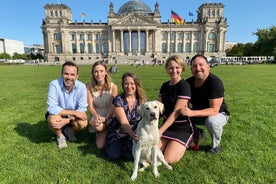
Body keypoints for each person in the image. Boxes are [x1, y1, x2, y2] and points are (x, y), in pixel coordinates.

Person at [180, 54, 230, 154]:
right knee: (179, 116)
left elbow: (214, 110)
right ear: (191, 69)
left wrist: (191, 113)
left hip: (218, 114)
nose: (198, 68)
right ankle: (197, 131)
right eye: (194, 66)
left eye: (201, 65)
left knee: (211, 121)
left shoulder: (215, 83)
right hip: (198, 113)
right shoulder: (188, 83)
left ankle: (216, 146)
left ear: (208, 66)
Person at [158, 55, 194, 164]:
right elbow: (158, 109)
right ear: (167, 69)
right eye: (171, 68)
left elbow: (176, 113)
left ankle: (192, 139)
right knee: (153, 154)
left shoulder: (184, 86)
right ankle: (170, 142)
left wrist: (160, 131)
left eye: (177, 67)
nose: (174, 71)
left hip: (182, 127)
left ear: (182, 68)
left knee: (169, 159)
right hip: (167, 125)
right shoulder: (164, 86)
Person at [104, 72, 147, 160]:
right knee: (114, 155)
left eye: (132, 83)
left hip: (135, 132)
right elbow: (123, 122)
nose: (129, 86)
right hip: (119, 132)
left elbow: (146, 120)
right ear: (123, 85)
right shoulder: (118, 99)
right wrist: (133, 136)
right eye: (126, 83)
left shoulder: (143, 101)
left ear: (136, 84)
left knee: (130, 156)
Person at [46, 61, 88, 149]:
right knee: (53, 120)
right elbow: (52, 108)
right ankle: (60, 136)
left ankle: (69, 131)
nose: (69, 77)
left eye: (72, 74)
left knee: (83, 123)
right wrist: (74, 113)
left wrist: (68, 120)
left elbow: (82, 110)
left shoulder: (82, 87)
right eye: (66, 74)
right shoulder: (54, 84)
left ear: (77, 76)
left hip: (72, 117)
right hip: (58, 115)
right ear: (61, 74)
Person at [86, 61, 118, 149]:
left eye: (101, 71)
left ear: (106, 72)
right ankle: (102, 131)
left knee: (100, 145)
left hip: (109, 115)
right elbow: (91, 107)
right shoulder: (89, 86)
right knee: (97, 126)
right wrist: (96, 116)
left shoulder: (113, 87)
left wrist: (106, 118)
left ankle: (104, 130)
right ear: (93, 73)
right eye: (96, 71)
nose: (98, 74)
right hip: (96, 114)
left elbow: (112, 107)